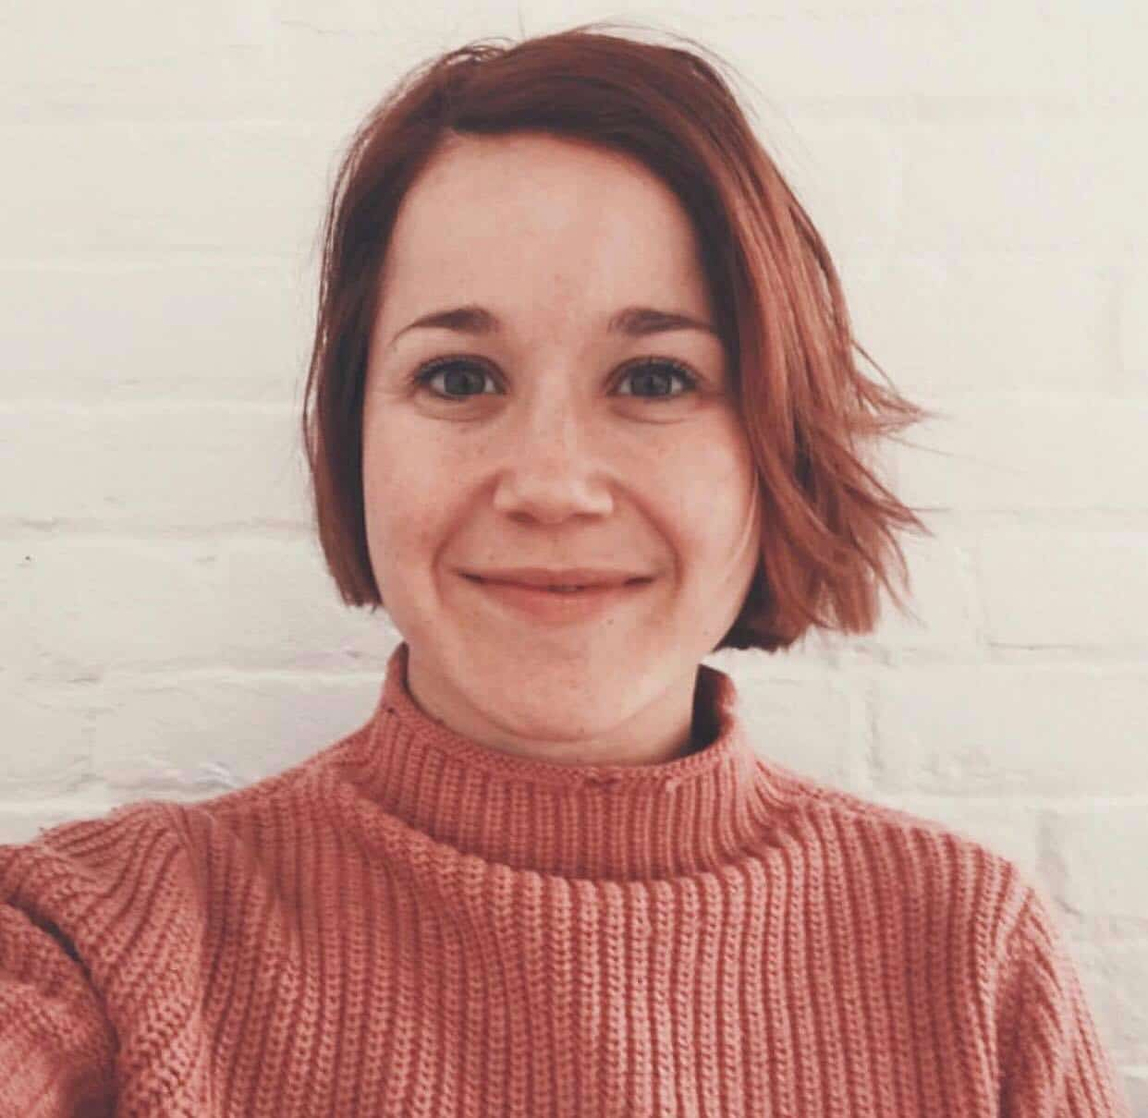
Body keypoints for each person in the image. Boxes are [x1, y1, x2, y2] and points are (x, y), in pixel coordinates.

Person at [0, 22, 1130, 1117]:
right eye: (458, 378)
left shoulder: (968, 958)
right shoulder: (96, 940)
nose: (550, 484)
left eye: (654, 379)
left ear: (773, 441)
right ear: (352, 437)